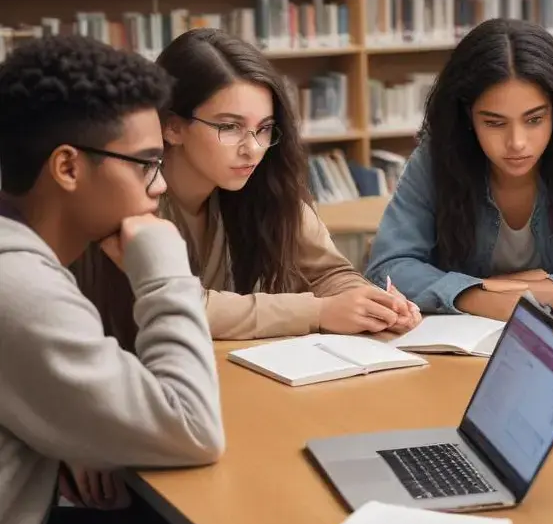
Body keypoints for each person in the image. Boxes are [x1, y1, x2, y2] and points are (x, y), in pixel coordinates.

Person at [0, 35, 225, 524]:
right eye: (145, 163)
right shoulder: (18, 285)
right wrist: (167, 272)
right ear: (68, 168)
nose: (161, 184)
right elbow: (194, 430)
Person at [77, 28, 419, 346]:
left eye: (265, 128)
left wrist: (373, 305)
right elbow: (178, 303)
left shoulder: (263, 182)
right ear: (172, 126)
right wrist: (318, 312)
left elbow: (328, 272)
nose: (253, 148)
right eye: (229, 127)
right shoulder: (130, 198)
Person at [365, 18, 553, 321]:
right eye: (494, 122)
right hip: (460, 349)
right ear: (467, 115)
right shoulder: (438, 154)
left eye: (534, 120)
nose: (516, 143)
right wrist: (475, 296)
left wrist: (538, 292)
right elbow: (387, 267)